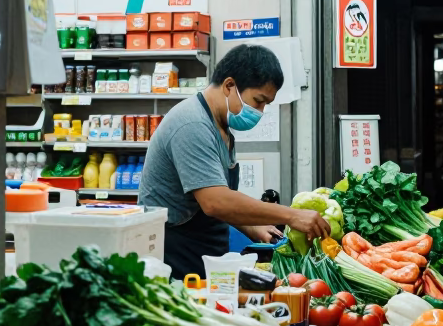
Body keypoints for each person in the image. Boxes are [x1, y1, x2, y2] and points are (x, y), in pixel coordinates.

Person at [138, 44, 330, 279]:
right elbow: (215, 202)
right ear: (230, 86)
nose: (260, 111)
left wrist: (253, 227)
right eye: (258, 101)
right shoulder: (193, 126)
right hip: (176, 254)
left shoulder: (222, 126)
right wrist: (291, 215)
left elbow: (220, 196)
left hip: (205, 250)